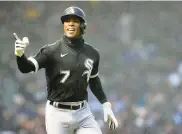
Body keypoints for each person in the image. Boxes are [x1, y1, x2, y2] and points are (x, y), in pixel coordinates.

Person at [14, 6, 118, 134]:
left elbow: (93, 80)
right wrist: (20, 55)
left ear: (83, 26)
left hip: (83, 112)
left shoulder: (93, 53)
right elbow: (26, 68)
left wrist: (105, 104)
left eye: (75, 21)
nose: (70, 24)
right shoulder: (52, 50)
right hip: (58, 113)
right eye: (67, 21)